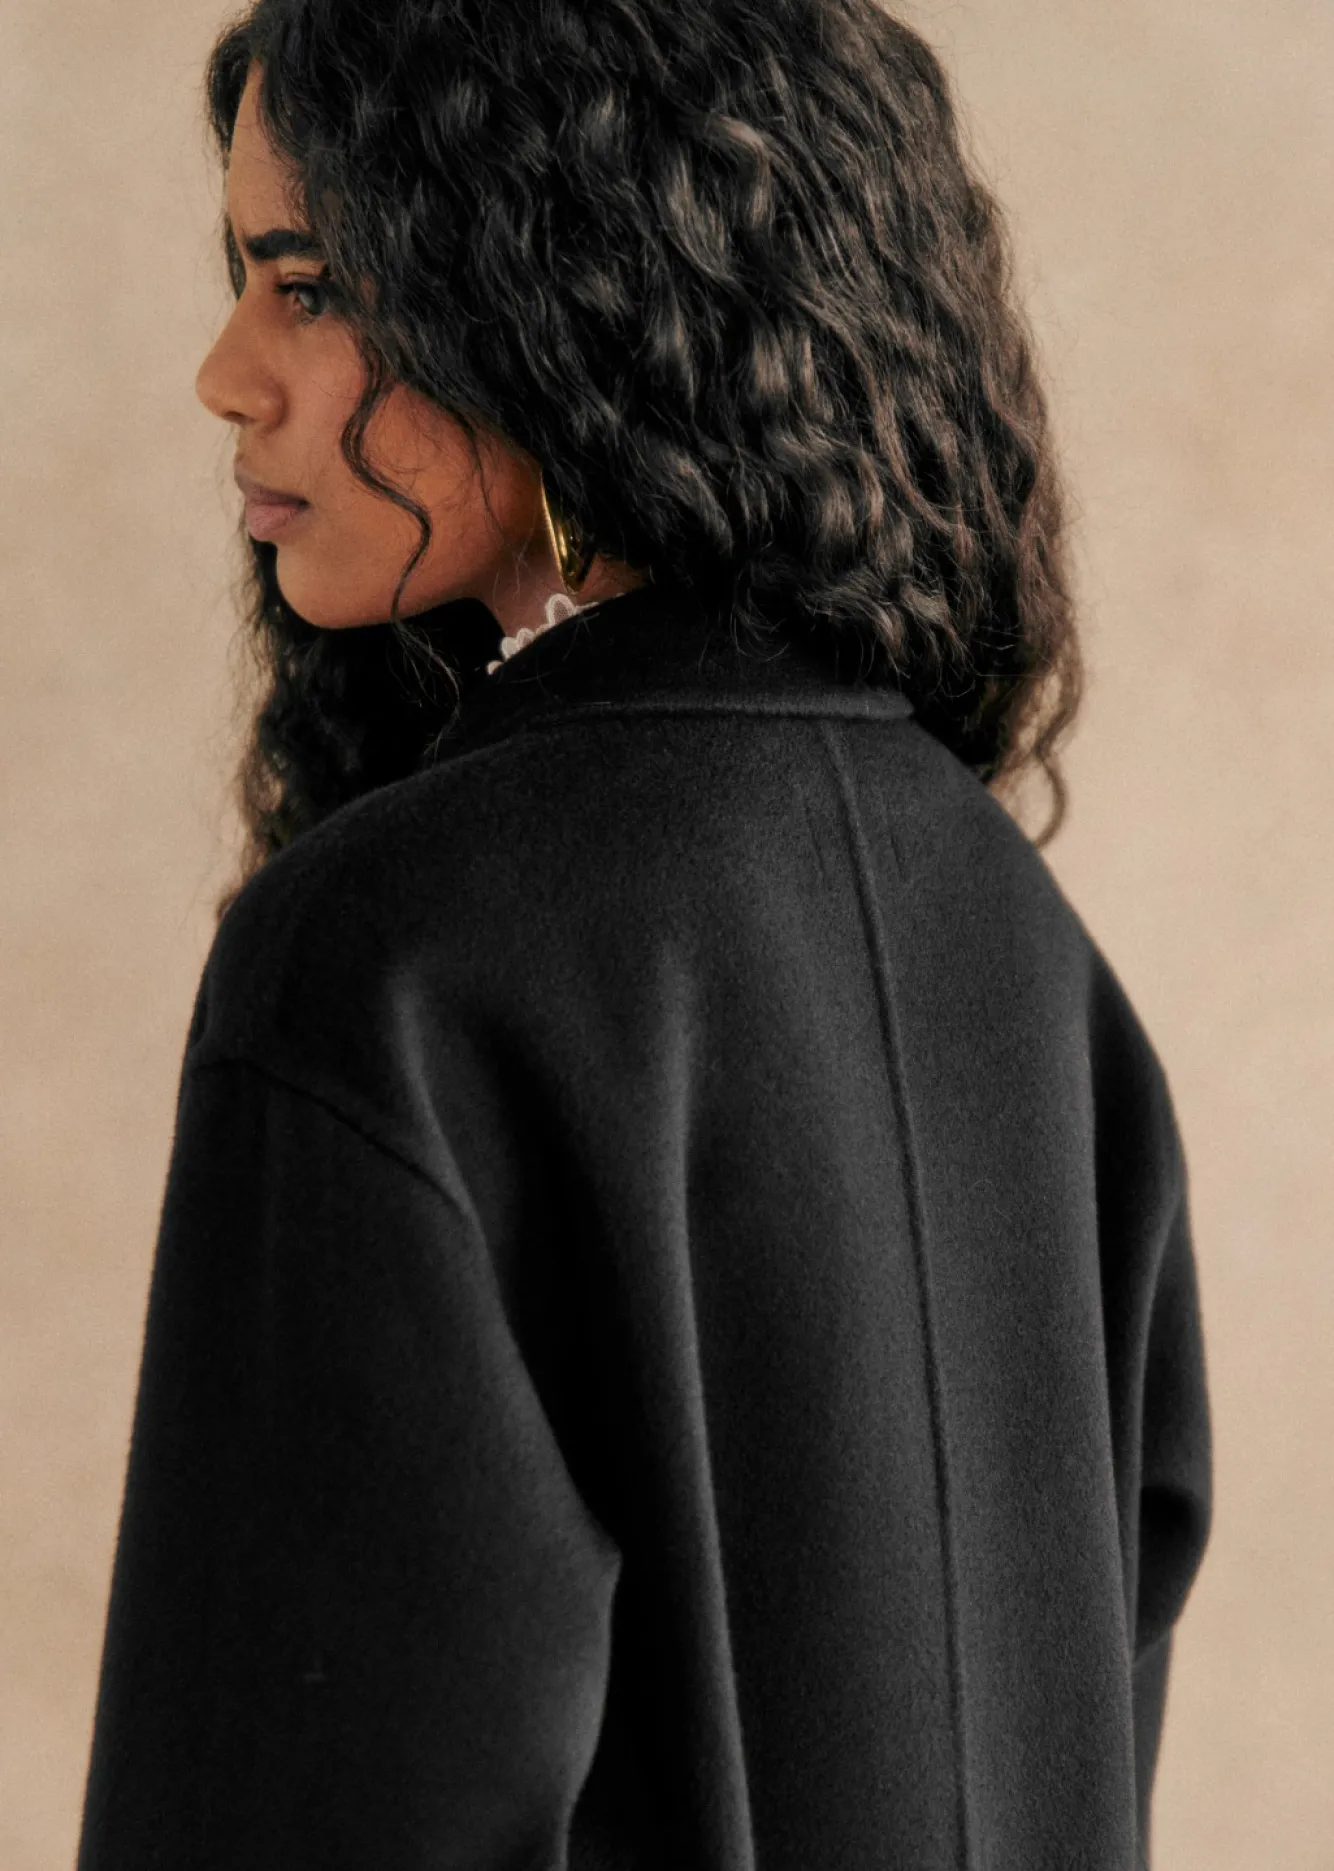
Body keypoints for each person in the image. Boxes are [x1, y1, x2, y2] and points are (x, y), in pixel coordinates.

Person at [75, 2, 1213, 1867]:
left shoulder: (389, 954)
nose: (226, 372)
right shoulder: (1019, 938)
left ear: (549, 293)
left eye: (309, 285)